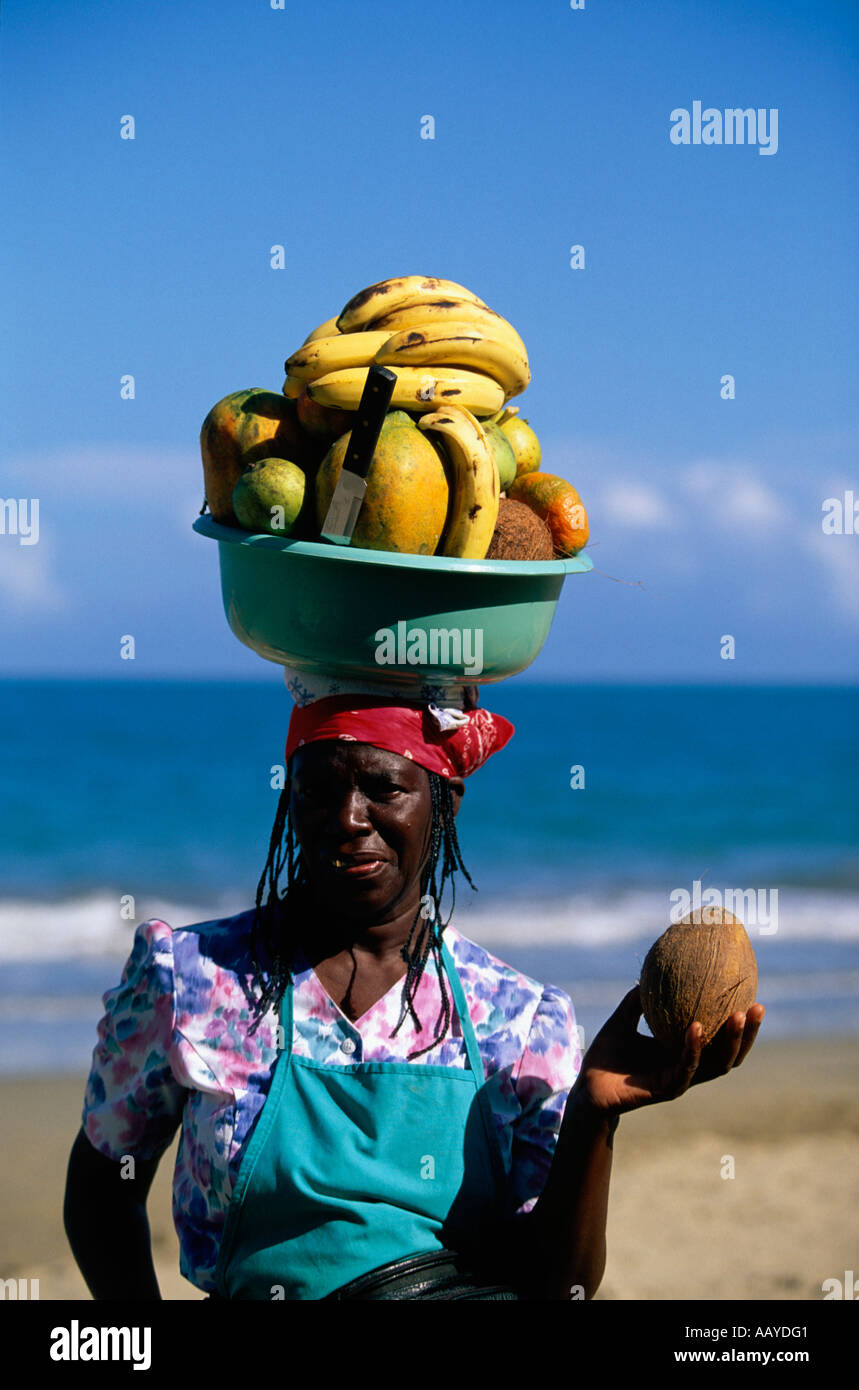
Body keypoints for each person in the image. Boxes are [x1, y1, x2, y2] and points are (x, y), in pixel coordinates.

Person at [64, 691, 764, 1301]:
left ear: (444, 798)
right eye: (315, 790)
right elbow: (103, 1190)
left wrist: (592, 1116)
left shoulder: (515, 1020)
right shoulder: (193, 978)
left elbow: (560, 1286)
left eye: (382, 787)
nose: (346, 817)